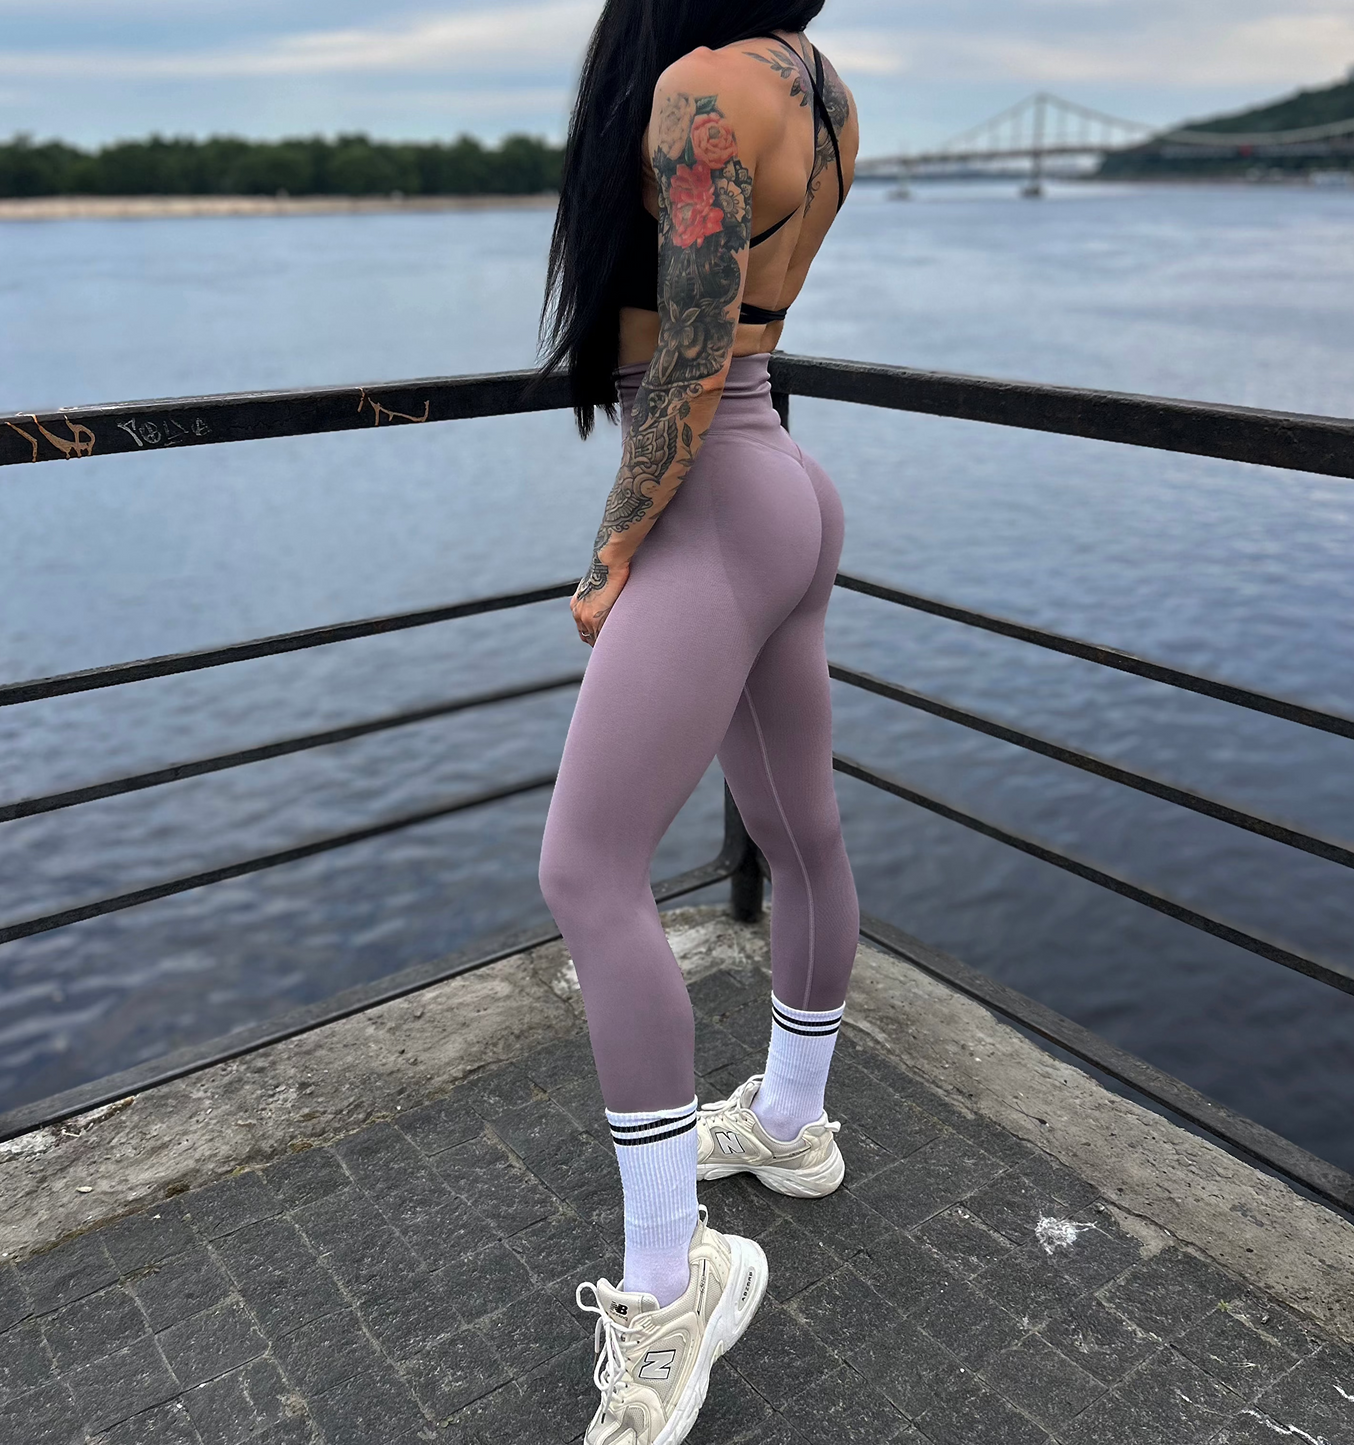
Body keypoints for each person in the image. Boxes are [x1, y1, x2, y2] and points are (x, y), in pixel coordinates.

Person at [537, 1, 860, 1436]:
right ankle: (789, 1125)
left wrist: (613, 549)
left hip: (716, 504)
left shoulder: (701, 89)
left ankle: (673, 1286)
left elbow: (684, 361)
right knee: (803, 837)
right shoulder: (825, 88)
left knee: (587, 874)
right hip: (785, 482)